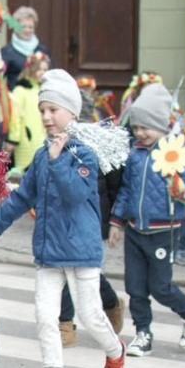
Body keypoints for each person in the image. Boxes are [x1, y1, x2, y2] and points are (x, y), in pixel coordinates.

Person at [0, 69, 125, 368]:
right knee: (46, 318)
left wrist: (59, 161)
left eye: (53, 110)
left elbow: (75, 194)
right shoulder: (43, 155)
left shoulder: (84, 154)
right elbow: (22, 196)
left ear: (72, 112)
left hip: (81, 250)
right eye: (42, 110)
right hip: (48, 251)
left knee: (90, 316)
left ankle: (115, 351)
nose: (46, 117)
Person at [109, 83, 185, 357]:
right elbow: (126, 189)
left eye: (146, 127)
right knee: (135, 287)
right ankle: (143, 333)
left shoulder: (176, 151)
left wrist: (181, 190)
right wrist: (116, 221)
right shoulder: (135, 153)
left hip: (164, 230)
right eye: (136, 127)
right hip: (135, 229)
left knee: (160, 287)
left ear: (161, 125)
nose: (140, 133)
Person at [59, 89, 127, 348]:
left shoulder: (101, 144)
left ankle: (110, 302)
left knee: (87, 272)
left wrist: (115, 221)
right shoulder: (55, 142)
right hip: (62, 220)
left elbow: (116, 186)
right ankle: (65, 323)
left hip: (93, 219)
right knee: (64, 269)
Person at [6, 51, 51, 172]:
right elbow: (15, 117)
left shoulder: (44, 90)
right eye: (39, 69)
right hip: (26, 139)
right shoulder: (21, 90)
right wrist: (13, 139)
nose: (42, 72)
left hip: (42, 138)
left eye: (45, 69)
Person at [0, 6, 50, 90]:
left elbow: (51, 73)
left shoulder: (42, 50)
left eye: (30, 27)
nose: (27, 30)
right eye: (23, 27)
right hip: (16, 95)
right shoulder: (6, 51)